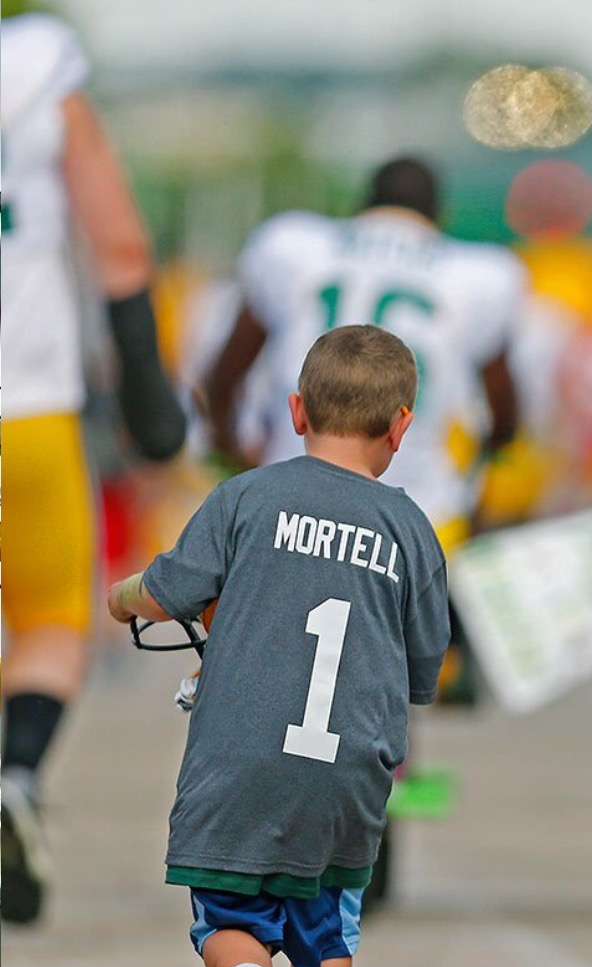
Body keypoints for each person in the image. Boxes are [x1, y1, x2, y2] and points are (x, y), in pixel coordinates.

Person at [107, 325, 450, 967]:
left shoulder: (245, 498)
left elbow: (168, 588)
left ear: (296, 410)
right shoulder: (409, 528)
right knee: (328, 932)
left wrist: (125, 599)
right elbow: (422, 664)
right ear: (401, 427)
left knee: (225, 916)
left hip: (240, 762)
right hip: (346, 773)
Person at [201, 153, 525, 783]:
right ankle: (396, 761)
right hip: (418, 498)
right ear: (438, 218)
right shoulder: (481, 273)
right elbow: (505, 408)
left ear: (359, 204)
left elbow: (226, 372)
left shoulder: (294, 245)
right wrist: (492, 459)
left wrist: (227, 446)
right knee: (389, 650)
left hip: (293, 483)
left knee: (278, 645)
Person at [1, 11, 187, 924]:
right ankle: (17, 774)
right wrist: (151, 402)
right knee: (45, 621)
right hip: (27, 406)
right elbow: (117, 244)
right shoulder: (35, 67)